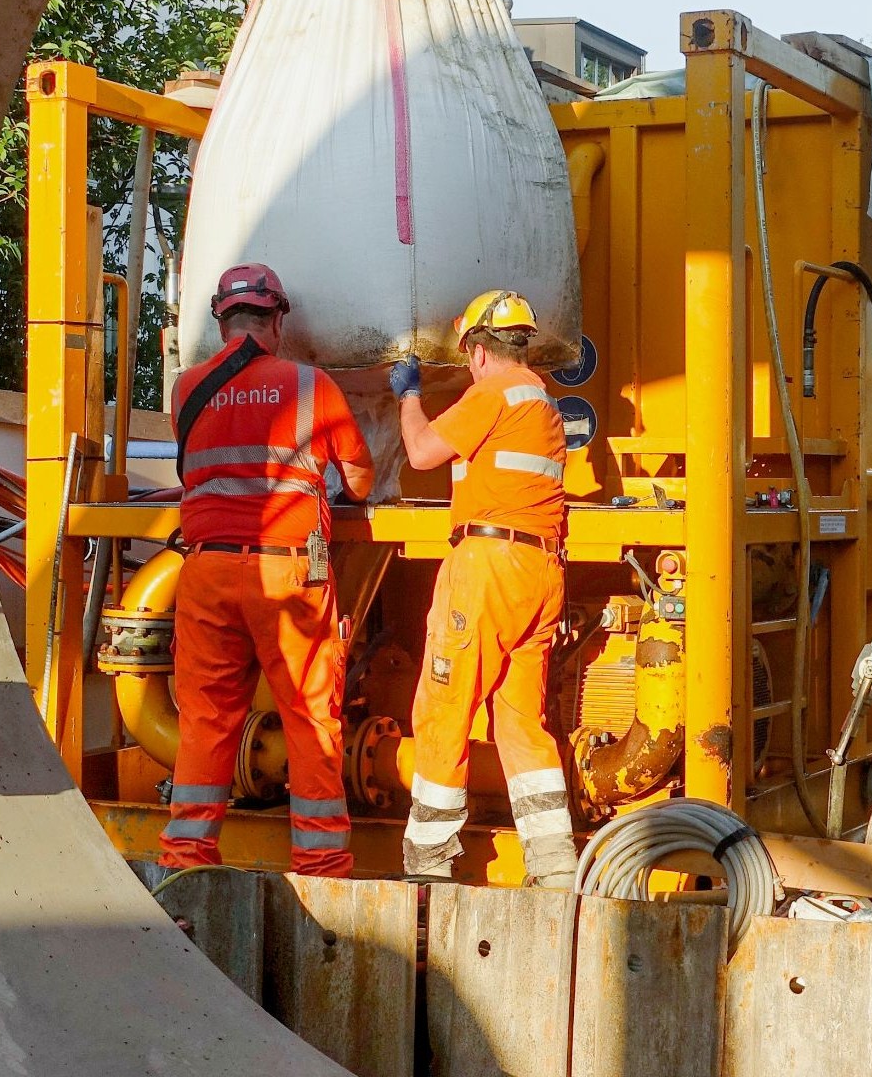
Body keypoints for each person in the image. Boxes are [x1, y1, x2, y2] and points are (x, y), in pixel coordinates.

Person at [158, 263, 375, 878]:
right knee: (309, 718)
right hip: (287, 577)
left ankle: (185, 863)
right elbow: (360, 480)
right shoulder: (310, 385)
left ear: (221, 320)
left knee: (204, 721)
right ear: (276, 319)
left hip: (205, 572)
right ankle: (321, 867)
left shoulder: (186, 389)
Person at [389, 289, 578, 887]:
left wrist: (410, 394)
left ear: (475, 350)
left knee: (444, 707)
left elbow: (421, 452)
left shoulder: (491, 394)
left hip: (487, 566)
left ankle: (429, 862)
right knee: (521, 721)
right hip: (540, 570)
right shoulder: (541, 400)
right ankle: (553, 866)